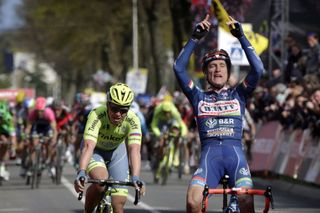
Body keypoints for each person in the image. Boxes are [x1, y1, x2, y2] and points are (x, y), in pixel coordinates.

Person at [173, 15, 264, 213]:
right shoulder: (198, 97)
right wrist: (194, 39)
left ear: (228, 71)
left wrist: (241, 37)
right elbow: (178, 68)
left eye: (222, 65)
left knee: (246, 201)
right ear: (205, 73)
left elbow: (258, 69)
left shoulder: (239, 93)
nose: (217, 69)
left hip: (235, 157)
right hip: (210, 158)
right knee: (192, 202)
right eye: (212, 66)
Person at [73, 83, 145, 213]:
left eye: (123, 110)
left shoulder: (133, 120)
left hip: (117, 152)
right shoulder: (97, 115)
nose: (118, 114)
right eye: (114, 108)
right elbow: (89, 146)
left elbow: (134, 150)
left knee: (118, 204)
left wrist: (136, 177)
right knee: (101, 181)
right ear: (107, 105)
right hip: (95, 150)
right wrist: (81, 172)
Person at [0, 101, 17, 181]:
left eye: (1, 118)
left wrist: (13, 148)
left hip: (4, 131)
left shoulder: (9, 119)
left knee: (5, 142)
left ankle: (3, 164)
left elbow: (13, 135)